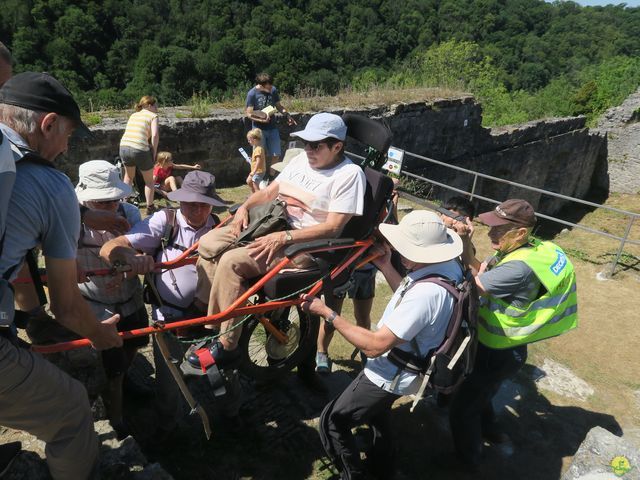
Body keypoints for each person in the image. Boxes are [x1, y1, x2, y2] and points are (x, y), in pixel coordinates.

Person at [0, 72, 122, 480]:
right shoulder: (52, 184)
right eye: (69, 134)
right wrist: (101, 336)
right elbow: (68, 307)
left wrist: (84, 214)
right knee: (70, 410)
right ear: (48, 124)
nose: (68, 146)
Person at [187, 112, 366, 369]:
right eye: (306, 143)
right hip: (271, 221)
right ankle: (208, 313)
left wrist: (284, 237)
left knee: (230, 262)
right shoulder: (301, 160)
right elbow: (271, 191)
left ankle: (226, 344)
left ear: (337, 146)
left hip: (302, 244)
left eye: (315, 145)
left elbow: (334, 227)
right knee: (208, 243)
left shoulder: (349, 175)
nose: (308, 149)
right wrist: (244, 208)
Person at [301, 210, 464, 479]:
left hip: (390, 373)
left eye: (403, 246)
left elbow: (375, 346)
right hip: (411, 367)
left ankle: (353, 475)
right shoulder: (449, 268)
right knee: (378, 415)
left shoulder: (427, 294)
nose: (397, 249)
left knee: (334, 421)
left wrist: (327, 313)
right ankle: (383, 467)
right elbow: (412, 299)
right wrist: (387, 266)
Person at [448, 199, 578, 468]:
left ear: (520, 233)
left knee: (462, 408)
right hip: (511, 349)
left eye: (499, 229)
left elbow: (466, 286)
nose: (490, 233)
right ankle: (492, 431)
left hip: (495, 348)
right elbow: (478, 268)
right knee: (482, 392)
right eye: (491, 226)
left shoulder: (517, 268)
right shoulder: (538, 250)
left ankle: (468, 460)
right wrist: (465, 245)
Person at [100, 171, 227, 435]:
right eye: (192, 202)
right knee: (169, 379)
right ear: (181, 201)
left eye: (204, 203)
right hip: (169, 319)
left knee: (221, 367)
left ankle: (231, 412)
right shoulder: (164, 221)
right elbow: (111, 247)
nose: (199, 209)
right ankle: (168, 426)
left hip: (207, 318)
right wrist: (132, 257)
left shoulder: (218, 226)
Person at [74, 160, 148, 438]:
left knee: (134, 343)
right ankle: (117, 419)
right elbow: (60, 253)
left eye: (113, 200)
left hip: (129, 297)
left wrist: (127, 266)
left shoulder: (129, 212)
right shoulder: (72, 222)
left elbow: (138, 245)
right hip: (96, 304)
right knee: (109, 362)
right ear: (85, 200)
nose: (110, 207)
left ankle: (125, 380)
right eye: (101, 202)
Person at [245, 73, 296, 170]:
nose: (270, 89)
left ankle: (271, 176)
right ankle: (260, 177)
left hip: (272, 127)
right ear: (260, 85)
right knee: (259, 155)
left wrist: (287, 115)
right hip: (258, 130)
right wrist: (261, 120)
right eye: (268, 88)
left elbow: (279, 106)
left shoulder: (273, 90)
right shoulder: (252, 94)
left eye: (271, 86)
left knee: (276, 154)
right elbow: (249, 113)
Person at [120, 95, 159, 215]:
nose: (157, 108)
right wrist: (154, 152)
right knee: (149, 181)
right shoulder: (153, 116)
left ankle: (124, 203)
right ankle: (150, 206)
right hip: (140, 148)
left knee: (128, 177)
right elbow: (155, 135)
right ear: (149, 105)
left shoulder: (133, 115)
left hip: (124, 147)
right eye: (156, 105)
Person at [246, 128, 266, 193]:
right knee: (249, 181)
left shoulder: (258, 149)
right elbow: (256, 159)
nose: (248, 141)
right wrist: (251, 160)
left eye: (249, 140)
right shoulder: (257, 148)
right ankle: (254, 195)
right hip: (256, 171)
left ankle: (257, 197)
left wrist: (253, 171)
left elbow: (258, 161)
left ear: (254, 140)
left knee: (255, 184)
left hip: (258, 171)